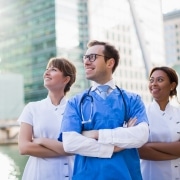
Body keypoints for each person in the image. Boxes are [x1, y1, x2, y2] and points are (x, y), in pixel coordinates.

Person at [57, 40, 149, 180]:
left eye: (92, 57)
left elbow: (141, 135)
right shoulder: (76, 102)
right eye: (85, 58)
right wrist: (115, 146)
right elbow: (70, 143)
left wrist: (95, 134)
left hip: (125, 175)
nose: (86, 62)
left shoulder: (132, 100)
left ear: (109, 63)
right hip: (87, 176)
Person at [17, 57, 76, 180]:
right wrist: (66, 150)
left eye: (53, 69)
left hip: (70, 173)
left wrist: (41, 141)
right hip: (39, 175)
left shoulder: (76, 109)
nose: (47, 73)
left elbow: (78, 146)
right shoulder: (32, 108)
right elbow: (24, 147)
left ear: (66, 79)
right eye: (46, 69)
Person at [138, 66, 180, 180]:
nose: (154, 84)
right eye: (151, 80)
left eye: (160, 80)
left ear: (172, 85)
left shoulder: (179, 113)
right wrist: (176, 152)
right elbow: (139, 151)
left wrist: (150, 146)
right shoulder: (141, 114)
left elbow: (145, 149)